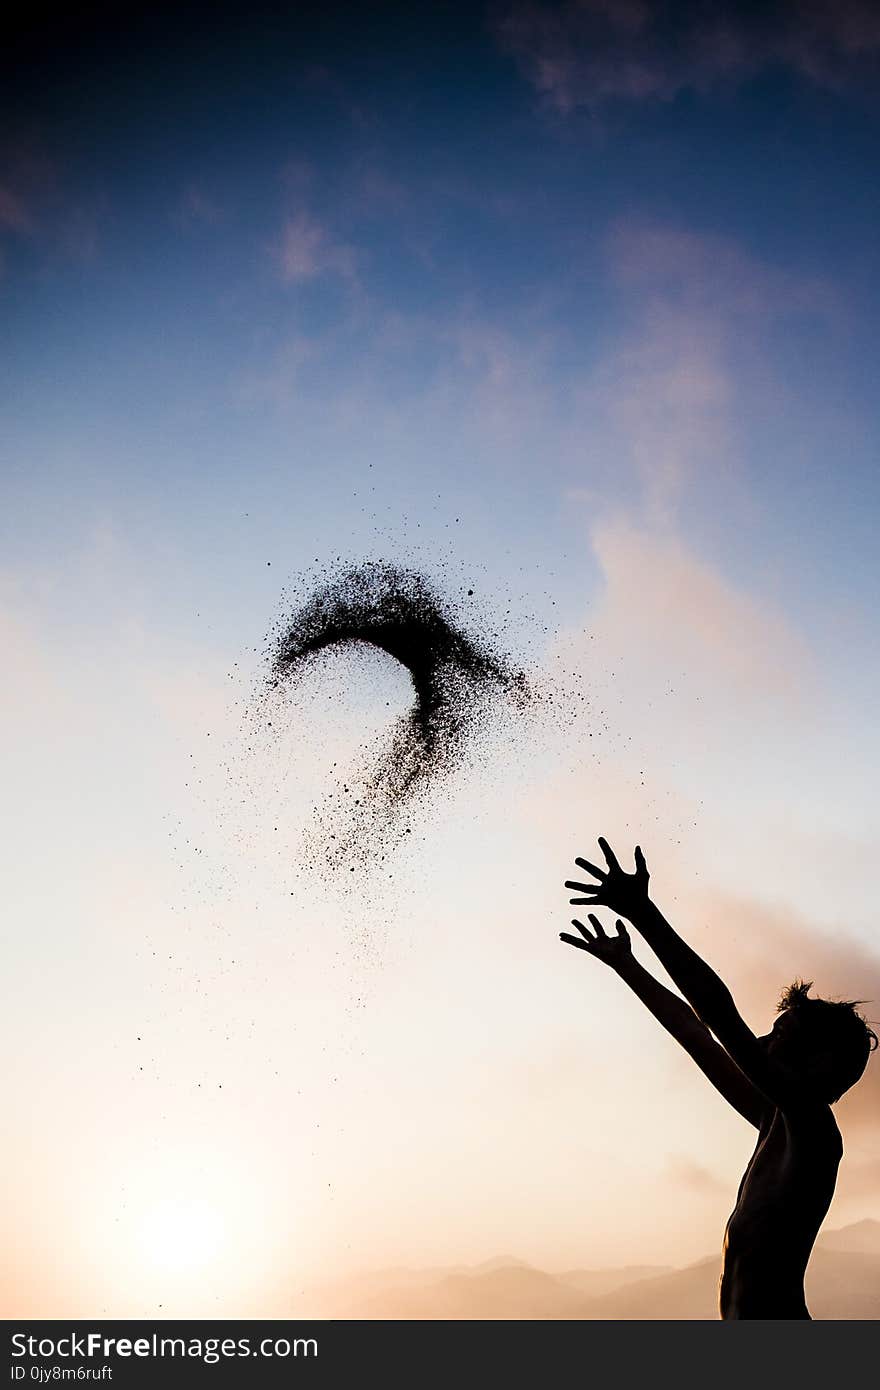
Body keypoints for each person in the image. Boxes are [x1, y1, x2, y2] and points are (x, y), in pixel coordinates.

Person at [561, 837, 877, 1320]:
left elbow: (721, 1018)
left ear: (821, 1063)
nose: (764, 1042)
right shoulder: (774, 1120)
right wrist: (629, 967)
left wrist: (645, 915)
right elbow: (697, 1032)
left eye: (781, 1034)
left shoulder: (813, 1134)